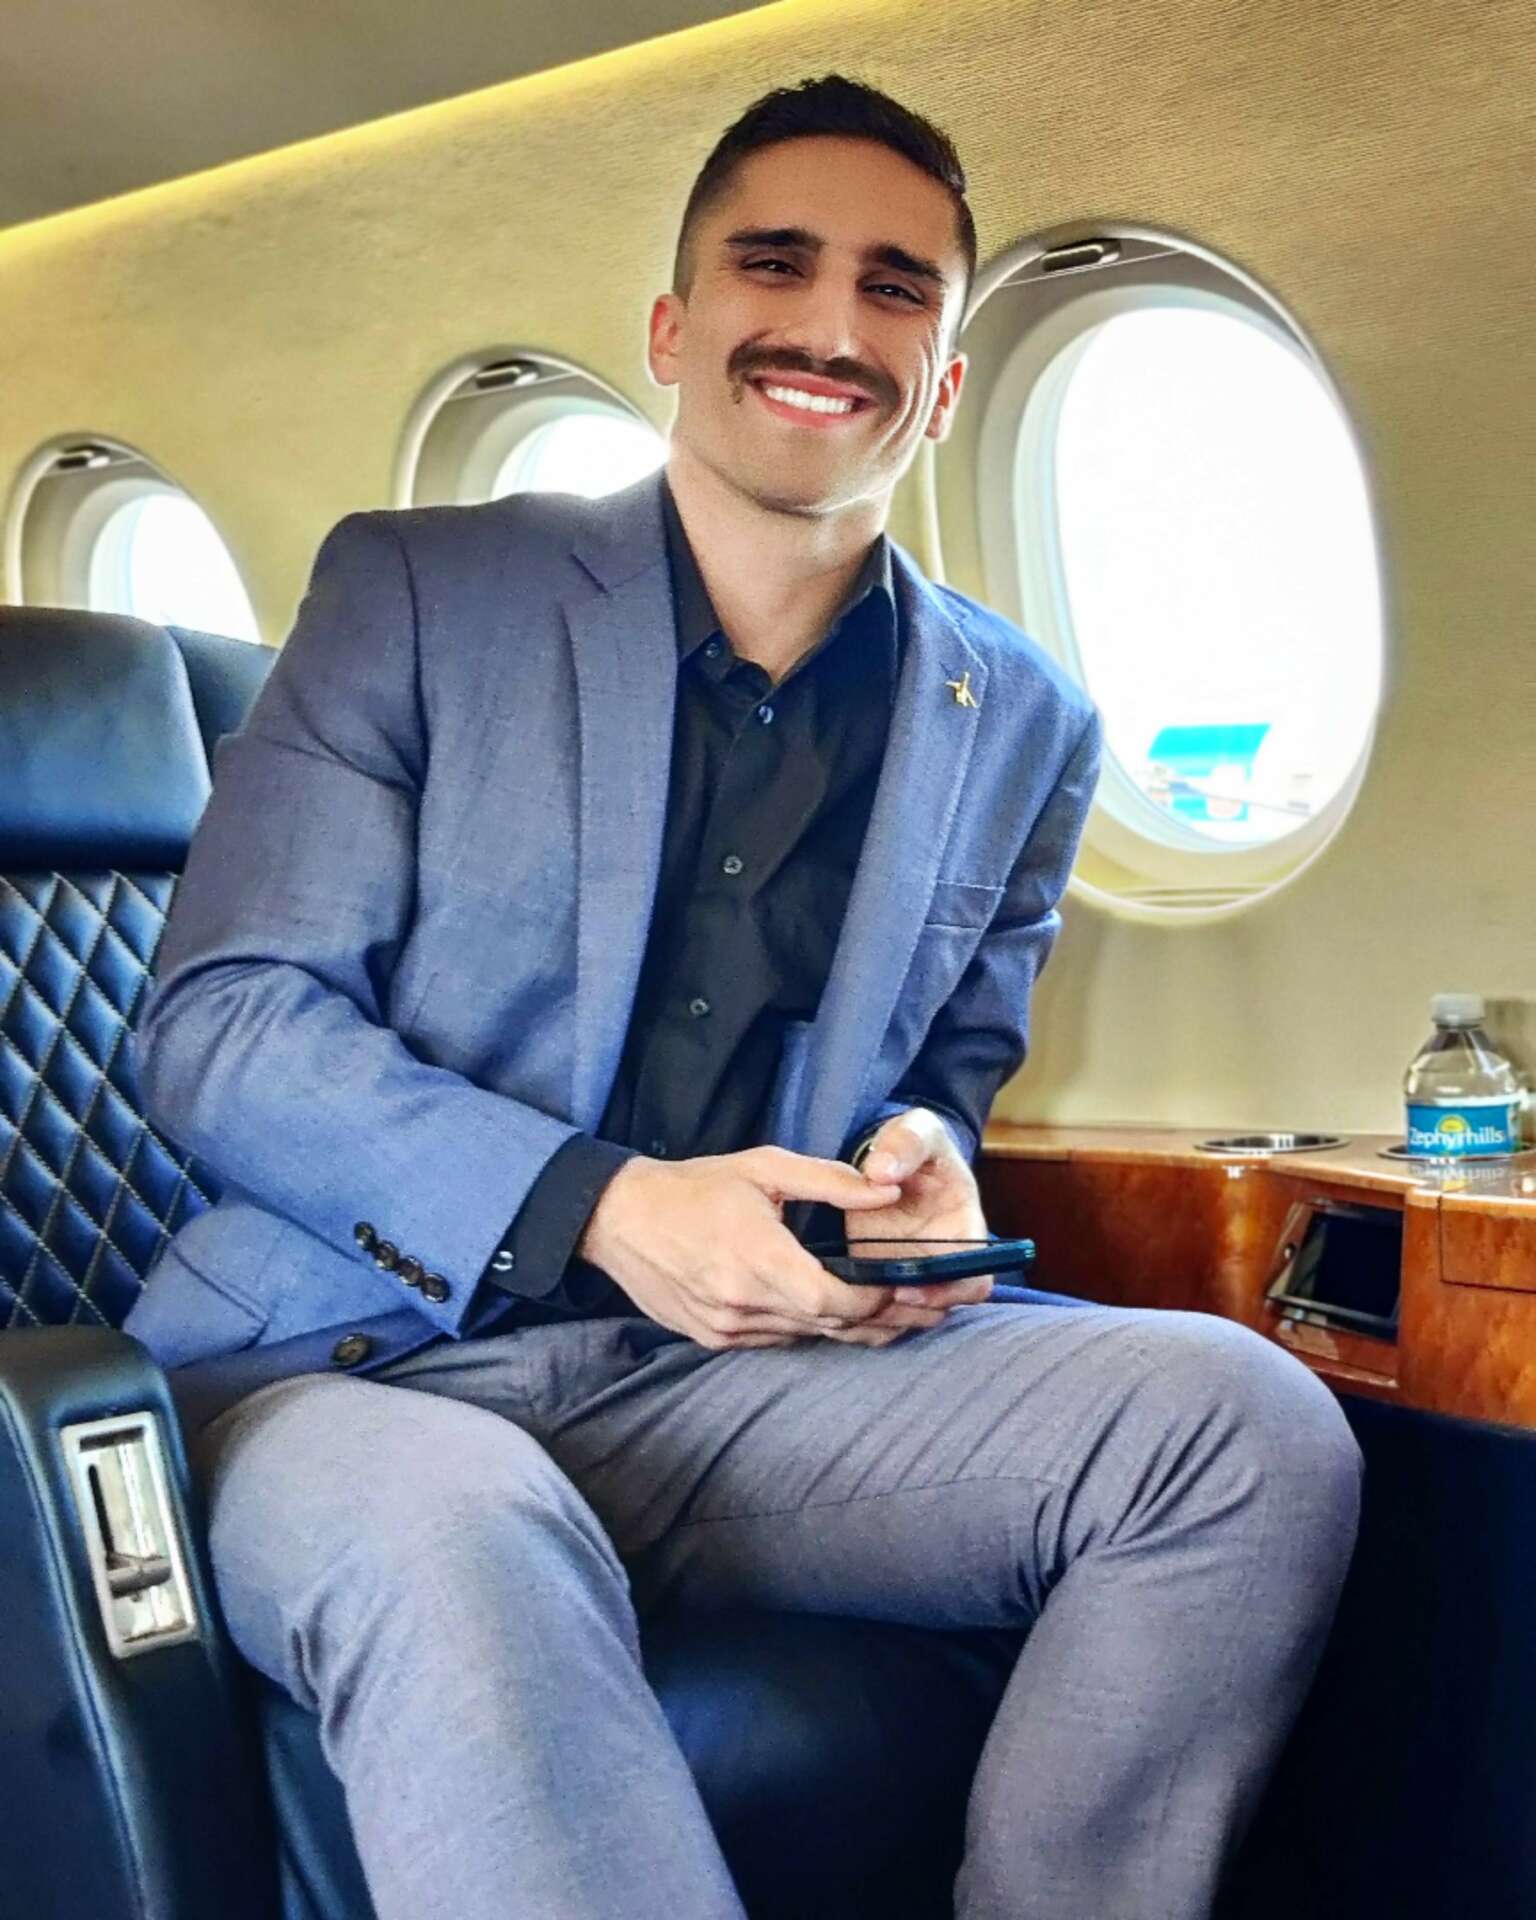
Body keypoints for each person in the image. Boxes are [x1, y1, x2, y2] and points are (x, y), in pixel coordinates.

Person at [126, 73, 1361, 1920]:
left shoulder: (1026, 718)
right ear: (672, 327)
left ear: (946, 379)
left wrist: (923, 1160)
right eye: (774, 265)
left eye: (894, 288)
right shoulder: (418, 591)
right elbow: (223, 1024)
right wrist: (606, 1207)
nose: (831, 327)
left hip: (739, 1383)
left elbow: (948, 1069)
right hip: (349, 1371)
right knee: (470, 1526)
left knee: (1244, 1431)